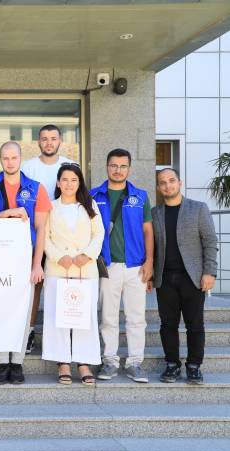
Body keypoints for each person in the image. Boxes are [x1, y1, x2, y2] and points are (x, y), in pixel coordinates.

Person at [0, 141, 49, 385]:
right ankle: (2, 362)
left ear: (21, 159)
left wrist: (37, 264)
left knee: (24, 310)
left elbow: (41, 229)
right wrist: (6, 214)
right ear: (0, 159)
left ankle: (17, 362)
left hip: (25, 259)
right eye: (5, 158)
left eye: (14, 158)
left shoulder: (36, 188)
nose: (10, 162)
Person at [90, 148, 154, 383]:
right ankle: (110, 361)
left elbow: (148, 231)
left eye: (123, 166)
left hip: (136, 266)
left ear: (129, 168)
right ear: (107, 166)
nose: (118, 170)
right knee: (108, 317)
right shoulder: (93, 195)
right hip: (107, 266)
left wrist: (150, 261)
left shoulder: (141, 196)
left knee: (136, 318)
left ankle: (135, 362)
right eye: (114, 165)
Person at [152, 168, 217, 385]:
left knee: (195, 324)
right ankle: (172, 364)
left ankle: (194, 366)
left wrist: (209, 271)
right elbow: (152, 247)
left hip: (193, 277)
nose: (167, 185)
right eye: (163, 182)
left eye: (171, 181)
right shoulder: (155, 213)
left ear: (180, 183)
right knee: (167, 324)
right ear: (159, 187)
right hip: (165, 278)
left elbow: (210, 241)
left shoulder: (198, 208)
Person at [43, 163, 103, 386]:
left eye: (74, 180)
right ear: (58, 183)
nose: (69, 184)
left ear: (80, 183)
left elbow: (99, 233)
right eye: (65, 180)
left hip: (84, 269)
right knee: (57, 317)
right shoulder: (50, 206)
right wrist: (59, 256)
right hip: (58, 268)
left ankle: (84, 363)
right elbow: (45, 237)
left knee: (84, 317)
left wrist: (86, 255)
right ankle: (63, 363)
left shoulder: (89, 205)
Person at [20, 125, 75, 354]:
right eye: (44, 139)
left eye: (53, 138)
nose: (49, 143)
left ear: (60, 141)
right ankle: (29, 331)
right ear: (38, 142)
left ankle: (64, 333)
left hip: (62, 235)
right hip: (35, 234)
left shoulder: (70, 165)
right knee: (33, 286)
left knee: (61, 286)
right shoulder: (28, 167)